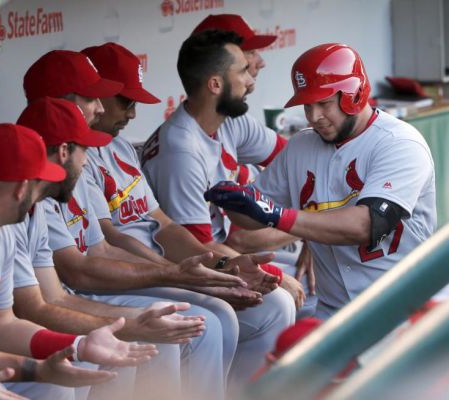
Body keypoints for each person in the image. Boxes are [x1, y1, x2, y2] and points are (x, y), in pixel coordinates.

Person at [22, 50, 234, 399]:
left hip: (79, 294)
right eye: (91, 97)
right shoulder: (27, 188)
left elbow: (104, 245)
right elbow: (58, 289)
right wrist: (167, 284)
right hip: (74, 297)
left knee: (187, 323)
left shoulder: (86, 155)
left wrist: (188, 271)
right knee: (166, 332)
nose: (101, 107)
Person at [204, 42, 437, 319]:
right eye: (307, 106)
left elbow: (367, 224)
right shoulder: (302, 146)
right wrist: (237, 204)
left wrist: (277, 215)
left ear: (355, 94)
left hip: (405, 306)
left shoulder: (399, 143)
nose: (314, 117)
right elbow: (253, 218)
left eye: (324, 103)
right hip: (333, 310)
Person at [140, 30, 297, 389]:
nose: (251, 78)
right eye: (242, 70)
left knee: (319, 272)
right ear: (215, 84)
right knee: (279, 302)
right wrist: (280, 264)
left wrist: (312, 224)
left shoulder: (229, 120)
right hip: (188, 264)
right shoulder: (181, 149)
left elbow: (292, 161)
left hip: (227, 251)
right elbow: (201, 252)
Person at [0, 123, 143, 400]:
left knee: (56, 384)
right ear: (23, 188)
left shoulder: (3, 229)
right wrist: (32, 369)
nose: (45, 192)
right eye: (41, 182)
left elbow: (0, 325)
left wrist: (79, 345)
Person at [192, 13, 317, 317]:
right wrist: (314, 227)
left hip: (237, 254)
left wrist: (317, 232)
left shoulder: (233, 122)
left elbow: (301, 161)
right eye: (249, 53)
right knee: (289, 300)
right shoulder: (183, 147)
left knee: (337, 269)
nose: (259, 62)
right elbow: (234, 240)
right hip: (211, 265)